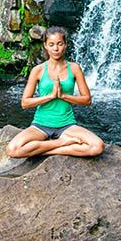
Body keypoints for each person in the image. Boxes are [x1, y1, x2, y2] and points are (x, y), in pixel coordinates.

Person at [6, 26, 104, 158]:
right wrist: (51, 96)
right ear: (45, 45)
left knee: (97, 146)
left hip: (67, 125)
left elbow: (87, 100)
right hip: (40, 125)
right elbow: (25, 103)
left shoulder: (74, 68)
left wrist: (63, 96)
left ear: (65, 45)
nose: (56, 49)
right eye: (51, 44)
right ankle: (62, 143)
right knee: (13, 150)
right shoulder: (38, 70)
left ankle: (45, 150)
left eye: (60, 44)